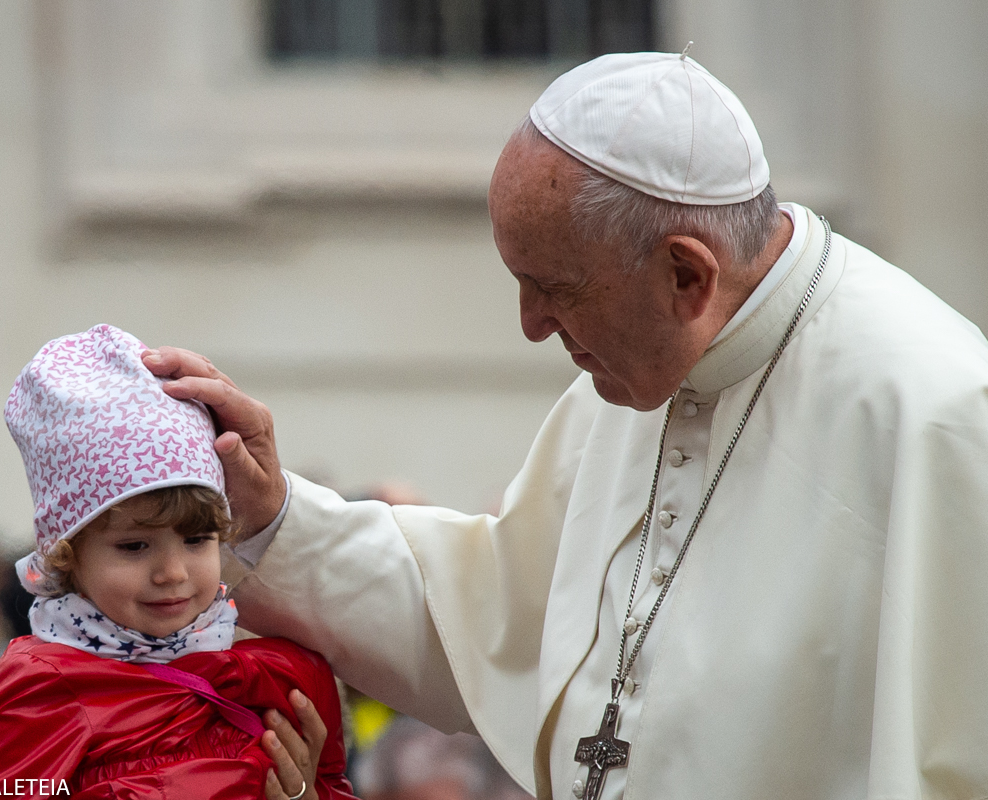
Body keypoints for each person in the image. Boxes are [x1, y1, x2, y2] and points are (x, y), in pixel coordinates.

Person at [143, 52, 988, 799]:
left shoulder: (939, 416)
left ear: (686, 277)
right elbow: (491, 627)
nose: (531, 326)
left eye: (556, 287)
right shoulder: (633, 383)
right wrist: (271, 515)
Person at [0, 324, 356, 800]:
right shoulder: (38, 692)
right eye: (134, 547)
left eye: (196, 539)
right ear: (68, 553)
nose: (173, 573)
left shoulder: (286, 673)